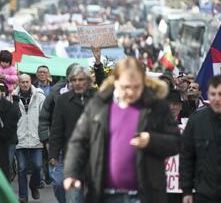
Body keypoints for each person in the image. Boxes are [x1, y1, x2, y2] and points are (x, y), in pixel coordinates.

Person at [63, 57, 180, 203]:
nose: (131, 92)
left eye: (136, 87)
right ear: (116, 82)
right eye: (126, 87)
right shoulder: (99, 105)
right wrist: (72, 173)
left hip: (145, 194)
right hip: (105, 194)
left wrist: (151, 140)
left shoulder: (157, 107)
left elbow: (176, 142)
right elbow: (78, 141)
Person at [180, 75, 221, 203]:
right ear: (207, 95)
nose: (217, 98)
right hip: (204, 194)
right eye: (213, 94)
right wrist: (187, 190)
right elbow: (186, 157)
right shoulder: (196, 121)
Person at [49, 65, 96, 203]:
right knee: (73, 198)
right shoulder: (63, 100)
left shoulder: (97, 97)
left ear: (88, 81)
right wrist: (53, 154)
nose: (77, 83)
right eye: (74, 80)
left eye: (81, 79)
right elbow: (56, 128)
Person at [13, 74, 45, 203]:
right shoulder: (12, 97)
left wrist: (44, 135)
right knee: (22, 168)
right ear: (18, 83)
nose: (25, 84)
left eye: (27, 82)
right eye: (22, 82)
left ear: (31, 82)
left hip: (36, 137)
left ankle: (34, 186)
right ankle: (23, 196)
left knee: (37, 166)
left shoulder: (40, 96)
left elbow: (44, 118)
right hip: (19, 138)